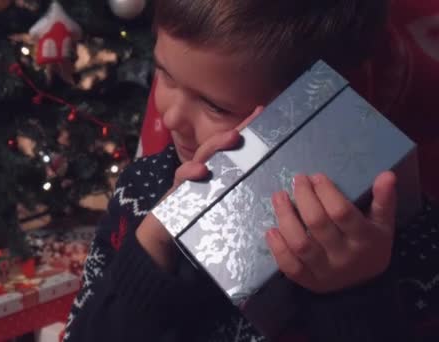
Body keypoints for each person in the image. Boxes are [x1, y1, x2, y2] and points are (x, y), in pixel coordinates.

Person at [63, 1, 439, 341]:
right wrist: (157, 241)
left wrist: (353, 293)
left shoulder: (400, 231)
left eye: (215, 107)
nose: (171, 116)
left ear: (312, 110)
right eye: (166, 75)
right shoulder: (140, 190)